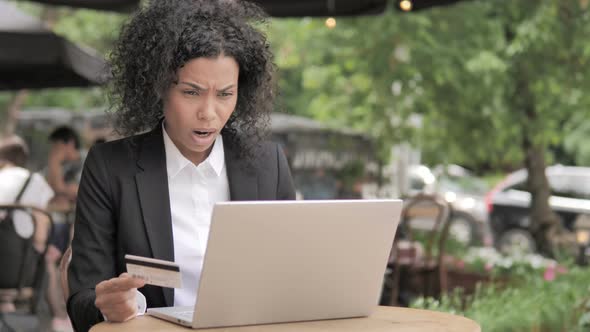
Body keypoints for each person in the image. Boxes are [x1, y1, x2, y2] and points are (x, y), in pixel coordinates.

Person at [67, 1, 296, 331]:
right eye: (191, 92)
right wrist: (108, 306)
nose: (209, 112)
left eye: (225, 94)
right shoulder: (110, 168)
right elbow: (82, 302)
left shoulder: (268, 165)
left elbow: (291, 274)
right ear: (158, 87)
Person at [0, 136, 53, 312]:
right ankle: (57, 315)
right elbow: (40, 237)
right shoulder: (35, 181)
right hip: (19, 275)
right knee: (48, 258)